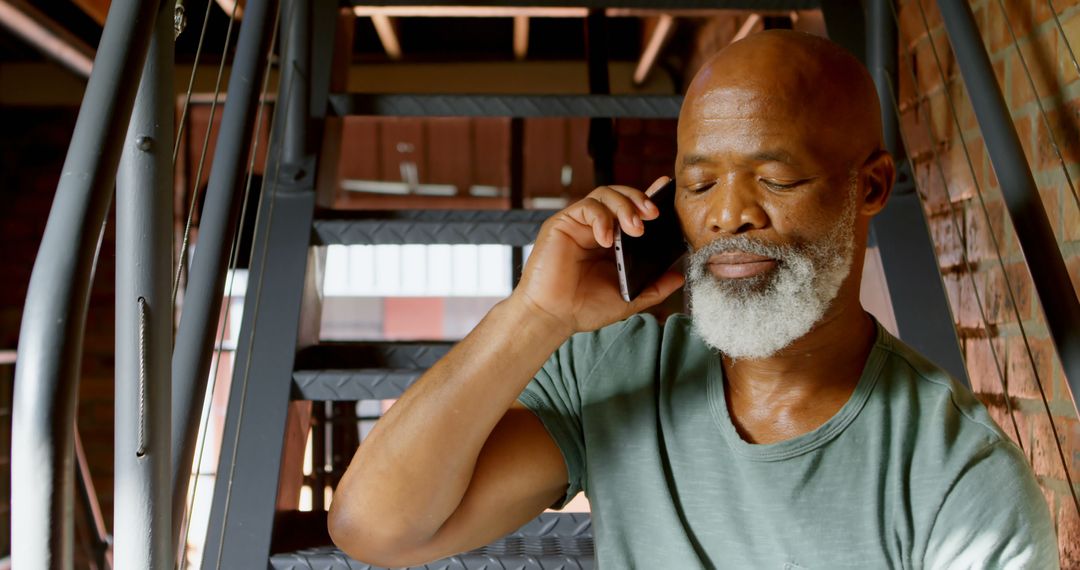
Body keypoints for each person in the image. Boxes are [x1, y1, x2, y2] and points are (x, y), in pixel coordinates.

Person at [327, 30, 1058, 568]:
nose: (726, 217)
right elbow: (377, 528)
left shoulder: (962, 476)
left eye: (775, 180)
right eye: (700, 184)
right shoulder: (611, 370)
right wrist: (537, 315)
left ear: (868, 187)